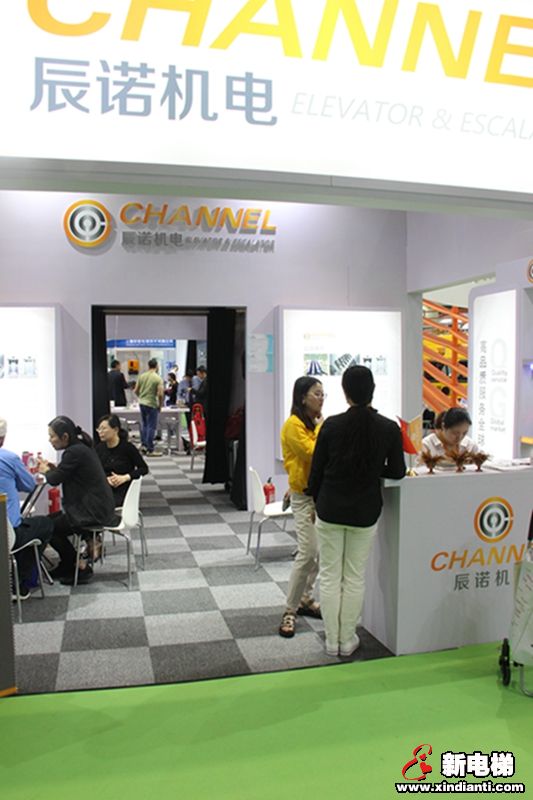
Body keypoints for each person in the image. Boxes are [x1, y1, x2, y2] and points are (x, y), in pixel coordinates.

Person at [307, 366, 406, 657]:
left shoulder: (331, 425)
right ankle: (347, 639)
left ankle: (331, 640)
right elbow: (397, 471)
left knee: (329, 575)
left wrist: (316, 502)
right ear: (372, 389)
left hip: (330, 507)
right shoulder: (388, 428)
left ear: (345, 392)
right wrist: (374, 470)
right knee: (353, 577)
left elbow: (316, 473)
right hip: (364, 511)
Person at [36, 416, 119, 585]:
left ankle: (78, 565)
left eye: (52, 436)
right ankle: (71, 561)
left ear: (65, 437)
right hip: (96, 506)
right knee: (49, 521)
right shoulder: (81, 448)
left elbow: (55, 480)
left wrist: (46, 471)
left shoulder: (73, 452)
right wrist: (54, 469)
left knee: (48, 527)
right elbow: (67, 473)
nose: (50, 440)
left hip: (91, 511)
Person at [278, 377, 324, 639]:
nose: (321, 398)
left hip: (319, 495)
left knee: (317, 553)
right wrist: (322, 428)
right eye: (317, 394)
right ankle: (290, 609)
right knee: (307, 553)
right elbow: (313, 453)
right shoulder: (293, 425)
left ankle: (305, 598)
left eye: (323, 394)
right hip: (304, 497)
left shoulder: (311, 424)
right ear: (303, 397)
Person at [0, 418, 54, 598]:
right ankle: (19, 583)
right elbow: (29, 485)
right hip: (7, 534)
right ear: (3, 438)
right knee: (45, 524)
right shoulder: (9, 458)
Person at [95, 414, 149, 506]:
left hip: (123, 488)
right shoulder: (99, 449)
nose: (100, 432)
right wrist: (105, 479)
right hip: (104, 487)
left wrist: (125, 477)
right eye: (99, 429)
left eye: (104, 429)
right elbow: (95, 470)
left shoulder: (128, 448)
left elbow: (144, 469)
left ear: (115, 430)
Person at [134, 358, 164, 455]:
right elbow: (160, 394)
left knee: (145, 425)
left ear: (148, 366)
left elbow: (135, 390)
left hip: (142, 403)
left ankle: (144, 445)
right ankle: (150, 449)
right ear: (157, 366)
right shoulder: (157, 378)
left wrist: (141, 397)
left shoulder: (142, 376)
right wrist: (160, 405)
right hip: (151, 404)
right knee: (151, 426)